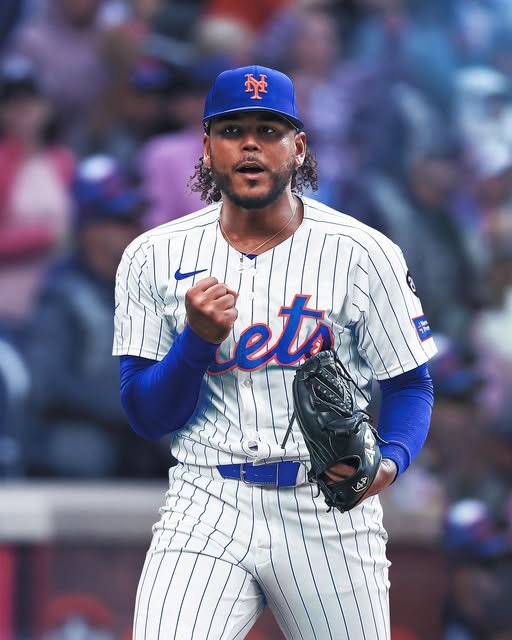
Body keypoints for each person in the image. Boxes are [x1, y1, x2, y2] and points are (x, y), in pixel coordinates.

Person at [113, 65, 437, 639]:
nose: (251, 145)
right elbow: (146, 416)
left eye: (269, 130)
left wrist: (388, 463)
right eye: (232, 131)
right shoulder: (152, 256)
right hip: (208, 499)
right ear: (207, 147)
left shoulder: (364, 252)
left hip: (328, 509)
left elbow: (410, 384)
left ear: (299, 147)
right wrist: (195, 343)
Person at [23, 154, 169, 478]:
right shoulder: (62, 295)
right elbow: (47, 383)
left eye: (137, 218)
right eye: (124, 220)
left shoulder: (148, 289)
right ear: (91, 231)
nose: (137, 229)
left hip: (140, 437)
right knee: (85, 451)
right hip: (85, 434)